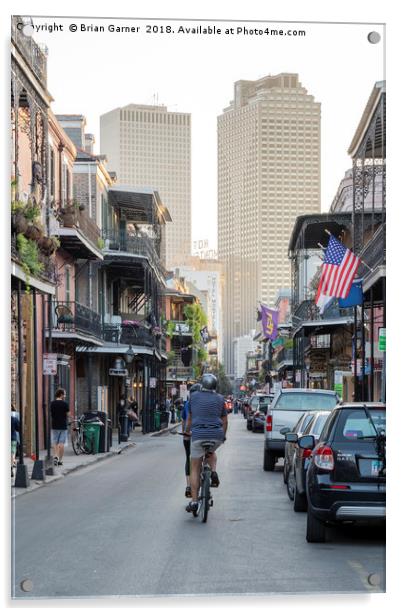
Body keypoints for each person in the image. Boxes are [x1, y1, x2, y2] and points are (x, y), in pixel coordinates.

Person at [184, 373, 228, 513]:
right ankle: (213, 471)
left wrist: (186, 432)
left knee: (195, 467)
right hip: (216, 436)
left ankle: (195, 501)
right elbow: (225, 421)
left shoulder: (194, 397)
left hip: (198, 435)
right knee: (211, 452)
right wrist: (223, 436)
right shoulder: (221, 399)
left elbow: (189, 419)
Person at [181, 383, 202, 498]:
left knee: (189, 459)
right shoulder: (205, 402)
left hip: (190, 435)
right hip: (204, 434)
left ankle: (189, 485)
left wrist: (185, 434)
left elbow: (185, 420)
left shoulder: (188, 404)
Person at [50, 388, 70, 466]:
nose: (65, 396)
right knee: (61, 443)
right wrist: (71, 418)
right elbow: (68, 414)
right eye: (64, 394)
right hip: (63, 425)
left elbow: (51, 413)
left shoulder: (52, 403)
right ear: (61, 395)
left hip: (54, 425)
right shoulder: (65, 404)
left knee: (55, 442)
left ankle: (55, 456)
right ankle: (60, 460)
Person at [11, 405, 20, 477]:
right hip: (13, 438)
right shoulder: (14, 418)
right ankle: (12, 465)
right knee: (13, 452)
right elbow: (18, 428)